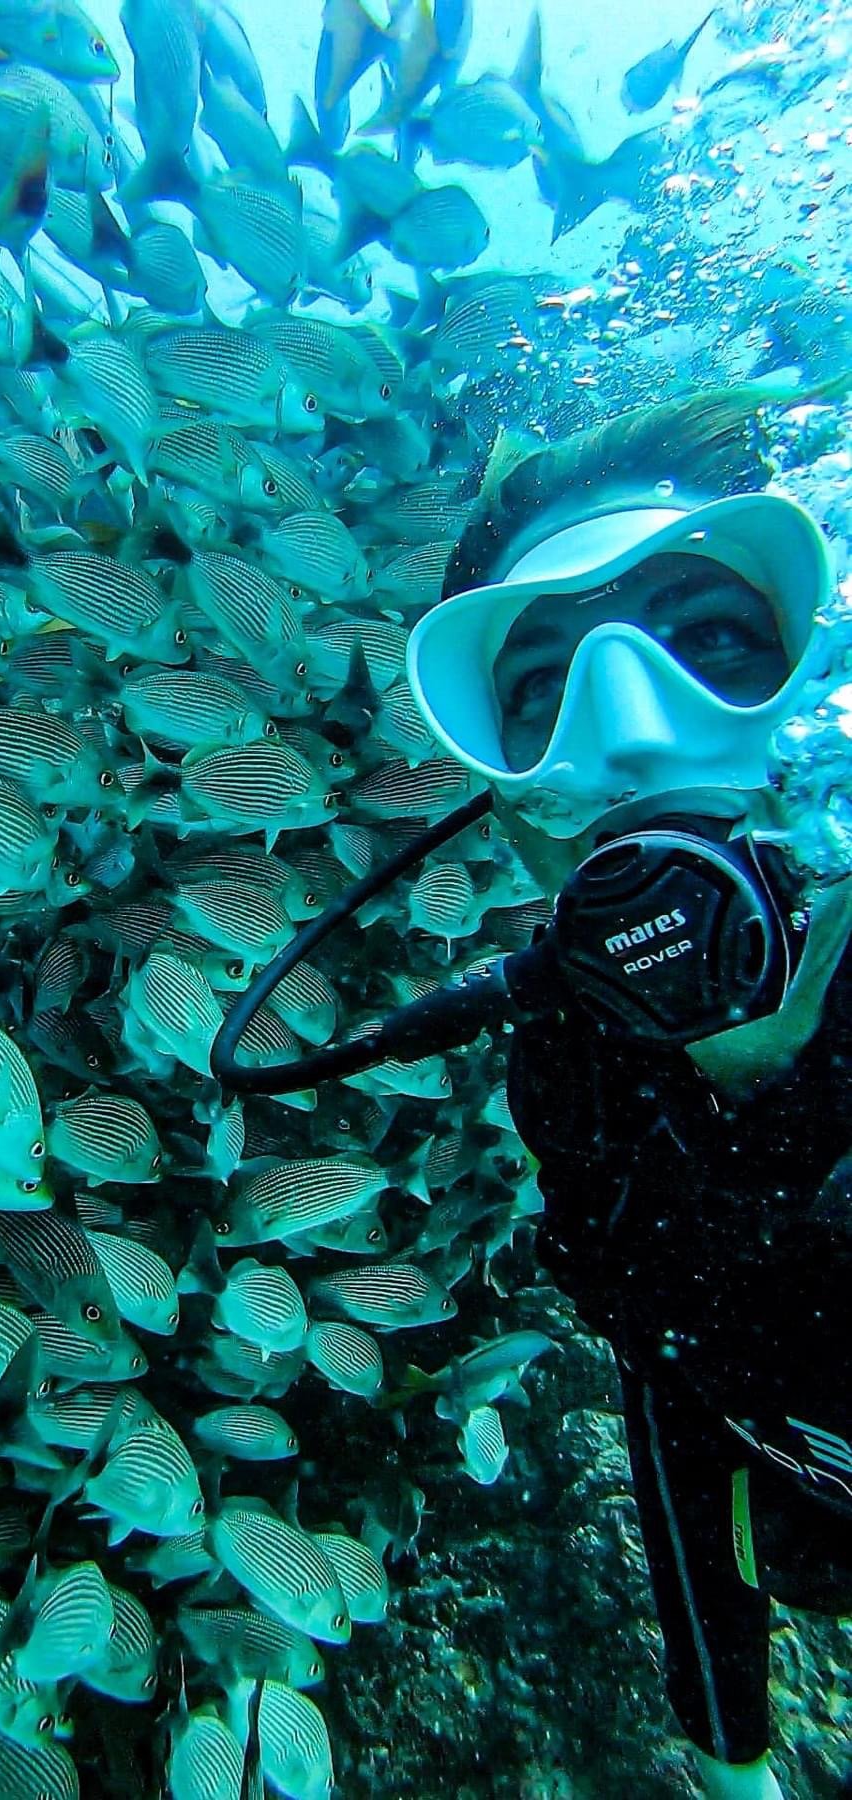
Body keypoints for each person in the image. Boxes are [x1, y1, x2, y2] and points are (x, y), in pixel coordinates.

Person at [405, 400, 852, 1800]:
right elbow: (670, 1386)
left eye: (714, 641)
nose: (632, 735)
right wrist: (731, 1757)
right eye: (541, 694)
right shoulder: (576, 1060)